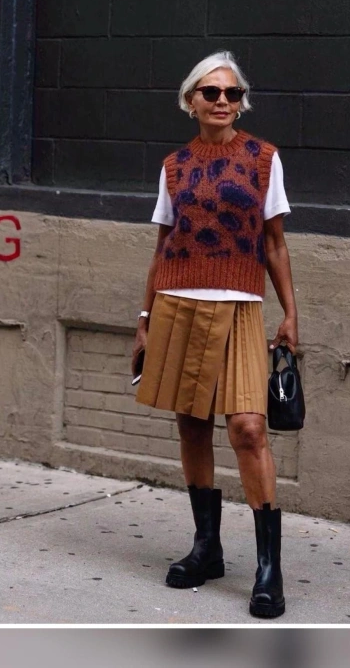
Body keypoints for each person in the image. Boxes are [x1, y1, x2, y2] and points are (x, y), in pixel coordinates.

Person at [131, 51, 298, 619]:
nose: (222, 101)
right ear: (191, 101)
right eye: (211, 92)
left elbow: (274, 243)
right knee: (191, 423)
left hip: (241, 305)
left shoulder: (263, 158)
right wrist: (144, 319)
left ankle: (269, 568)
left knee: (248, 428)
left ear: (241, 102)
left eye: (232, 93)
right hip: (177, 302)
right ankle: (207, 547)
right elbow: (162, 245)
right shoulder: (174, 166)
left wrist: (290, 314)